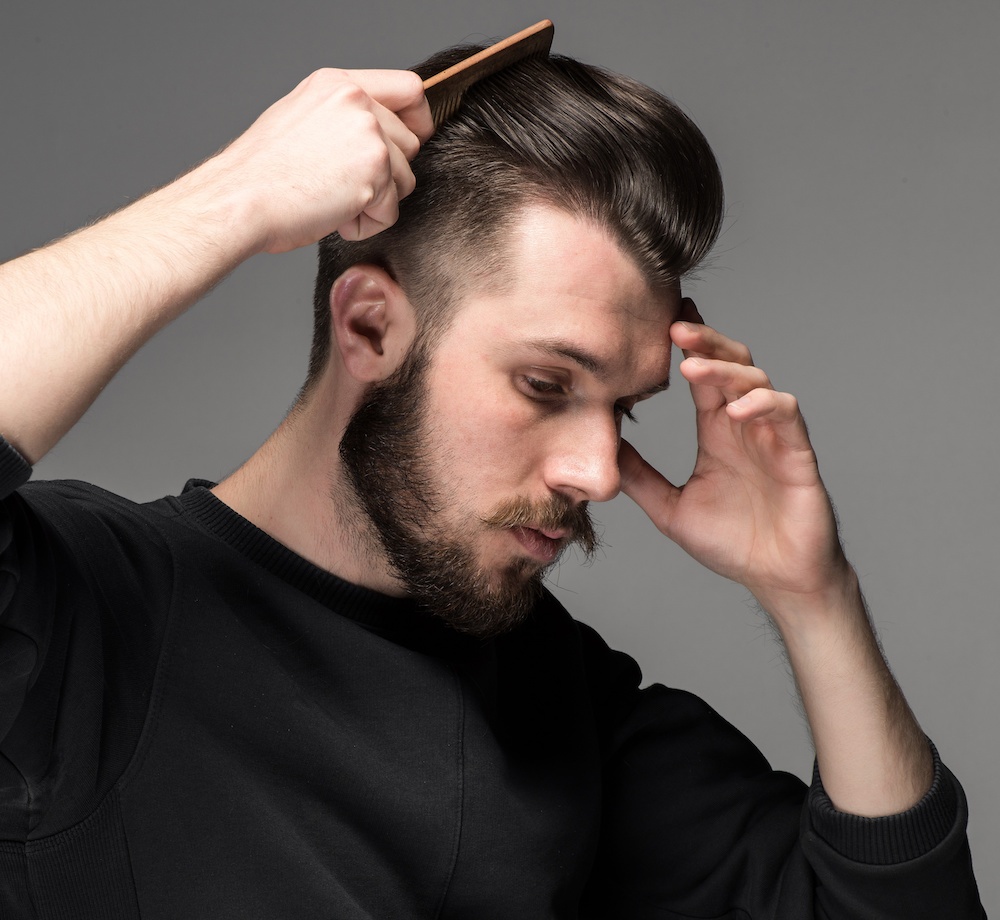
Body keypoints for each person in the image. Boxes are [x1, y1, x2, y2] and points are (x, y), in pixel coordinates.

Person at [0, 43, 985, 920]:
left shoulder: (563, 709)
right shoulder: (87, 616)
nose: (597, 471)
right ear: (370, 328)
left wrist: (814, 596)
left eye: (623, 406)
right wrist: (236, 197)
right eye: (546, 384)